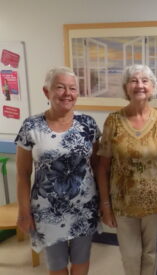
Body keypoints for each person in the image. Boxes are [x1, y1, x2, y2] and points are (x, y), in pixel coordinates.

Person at [15, 66, 101, 275]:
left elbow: (98, 167)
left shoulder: (87, 124)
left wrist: (105, 204)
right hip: (47, 210)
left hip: (84, 207)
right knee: (56, 265)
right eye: (60, 87)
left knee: (82, 260)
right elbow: (22, 173)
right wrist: (24, 212)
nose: (67, 93)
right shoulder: (31, 126)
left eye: (72, 88)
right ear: (47, 92)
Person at [97, 64, 157, 275]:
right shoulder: (113, 121)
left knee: (149, 254)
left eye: (145, 81)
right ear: (126, 88)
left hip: (155, 203)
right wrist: (105, 205)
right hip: (123, 203)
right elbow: (102, 167)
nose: (139, 85)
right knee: (131, 256)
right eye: (134, 80)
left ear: (153, 87)